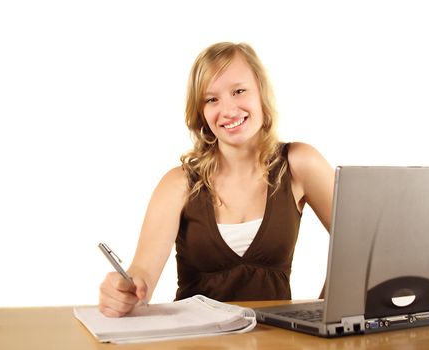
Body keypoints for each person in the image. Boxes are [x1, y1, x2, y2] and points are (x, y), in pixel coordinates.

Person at [99, 42, 335, 317]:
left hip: (275, 341)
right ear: (201, 112)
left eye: (239, 91)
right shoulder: (179, 184)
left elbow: (362, 248)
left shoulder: (299, 164)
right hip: (197, 343)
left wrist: (323, 313)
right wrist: (123, 291)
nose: (229, 110)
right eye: (212, 99)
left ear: (261, 92)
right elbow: (142, 277)